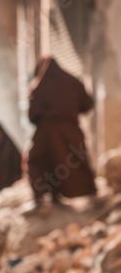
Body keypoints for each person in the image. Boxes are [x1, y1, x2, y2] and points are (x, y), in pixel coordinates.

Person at [27, 56, 96, 206]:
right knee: (73, 160)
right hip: (71, 130)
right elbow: (88, 104)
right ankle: (86, 193)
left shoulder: (39, 85)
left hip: (46, 133)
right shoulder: (73, 82)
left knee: (39, 161)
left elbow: (32, 115)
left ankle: (46, 196)